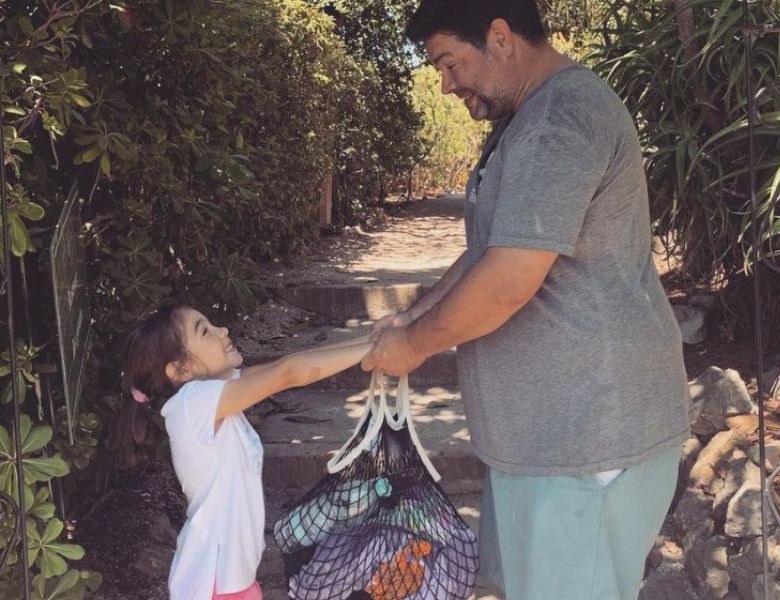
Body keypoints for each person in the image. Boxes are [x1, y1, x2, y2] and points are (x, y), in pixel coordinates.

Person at [362, 1, 691, 598]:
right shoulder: (532, 119)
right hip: (550, 440)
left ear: (499, 37)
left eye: (450, 63)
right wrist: (413, 314)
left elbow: (508, 280)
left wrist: (413, 345)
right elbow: (494, 248)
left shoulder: (557, 120)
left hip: (585, 440)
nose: (445, 85)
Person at [119, 301, 372, 600]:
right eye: (205, 331)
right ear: (181, 369)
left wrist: (373, 340)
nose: (222, 330)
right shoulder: (192, 403)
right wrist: (376, 349)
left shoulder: (215, 393)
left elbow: (285, 365)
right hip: (213, 585)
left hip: (233, 583)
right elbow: (288, 374)